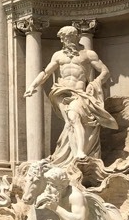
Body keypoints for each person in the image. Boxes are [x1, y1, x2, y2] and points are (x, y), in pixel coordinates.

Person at [24, 25, 117, 165]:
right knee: (70, 122)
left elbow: (105, 71)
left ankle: (77, 153)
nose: (65, 41)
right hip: (60, 92)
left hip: (79, 92)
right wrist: (33, 86)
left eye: (68, 37)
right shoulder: (58, 55)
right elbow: (46, 73)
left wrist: (95, 82)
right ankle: (74, 153)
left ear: (76, 36)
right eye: (63, 38)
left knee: (73, 118)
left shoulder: (88, 54)